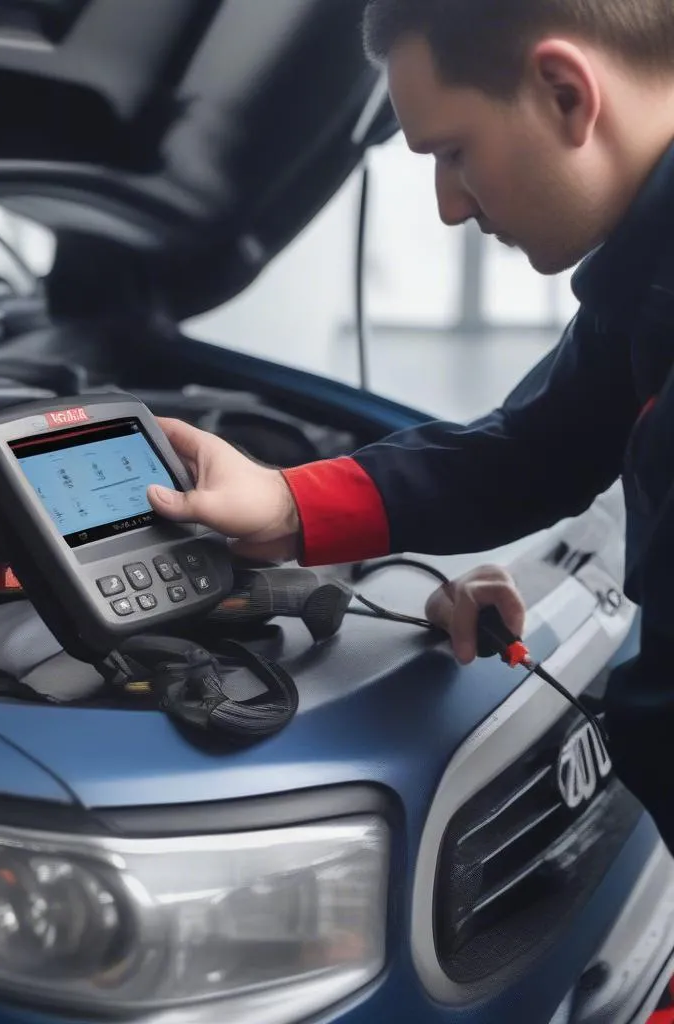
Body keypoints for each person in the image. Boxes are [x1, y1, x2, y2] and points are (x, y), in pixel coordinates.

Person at [146, 0, 674, 852]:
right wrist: (286, 503)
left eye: (454, 153)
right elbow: (535, 451)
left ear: (566, 94)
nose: (448, 208)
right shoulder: (645, 284)